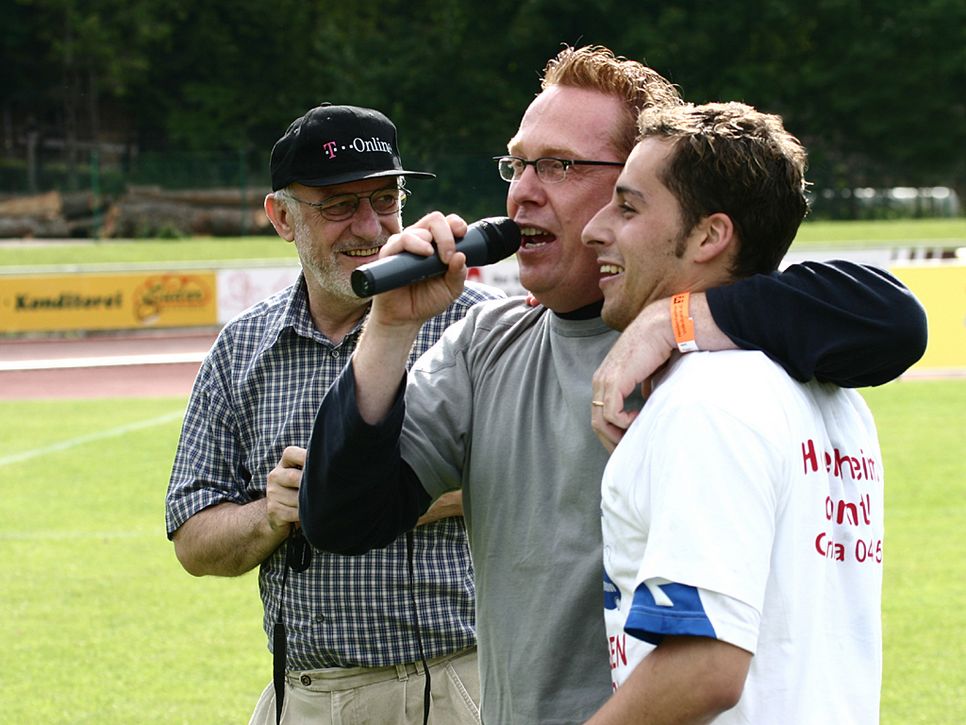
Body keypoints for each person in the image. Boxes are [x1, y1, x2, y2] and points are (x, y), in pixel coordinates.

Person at [299, 47, 925, 725]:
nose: (522, 192)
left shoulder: (724, 359)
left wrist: (678, 319)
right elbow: (340, 518)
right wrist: (390, 325)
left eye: (560, 166)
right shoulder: (486, 345)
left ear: (634, 180)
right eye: (518, 163)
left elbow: (892, 318)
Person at [164, 103, 502, 725]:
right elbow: (192, 539)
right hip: (305, 693)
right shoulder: (242, 348)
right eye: (340, 205)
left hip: (458, 683)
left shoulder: (476, 322)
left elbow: (546, 475)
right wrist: (274, 514)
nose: (369, 227)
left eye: (385, 199)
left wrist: (358, 492)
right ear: (281, 217)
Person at [583, 101, 883, 723]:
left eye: (628, 207)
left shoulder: (706, 402)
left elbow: (704, 668)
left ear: (709, 236)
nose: (595, 228)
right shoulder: (832, 395)